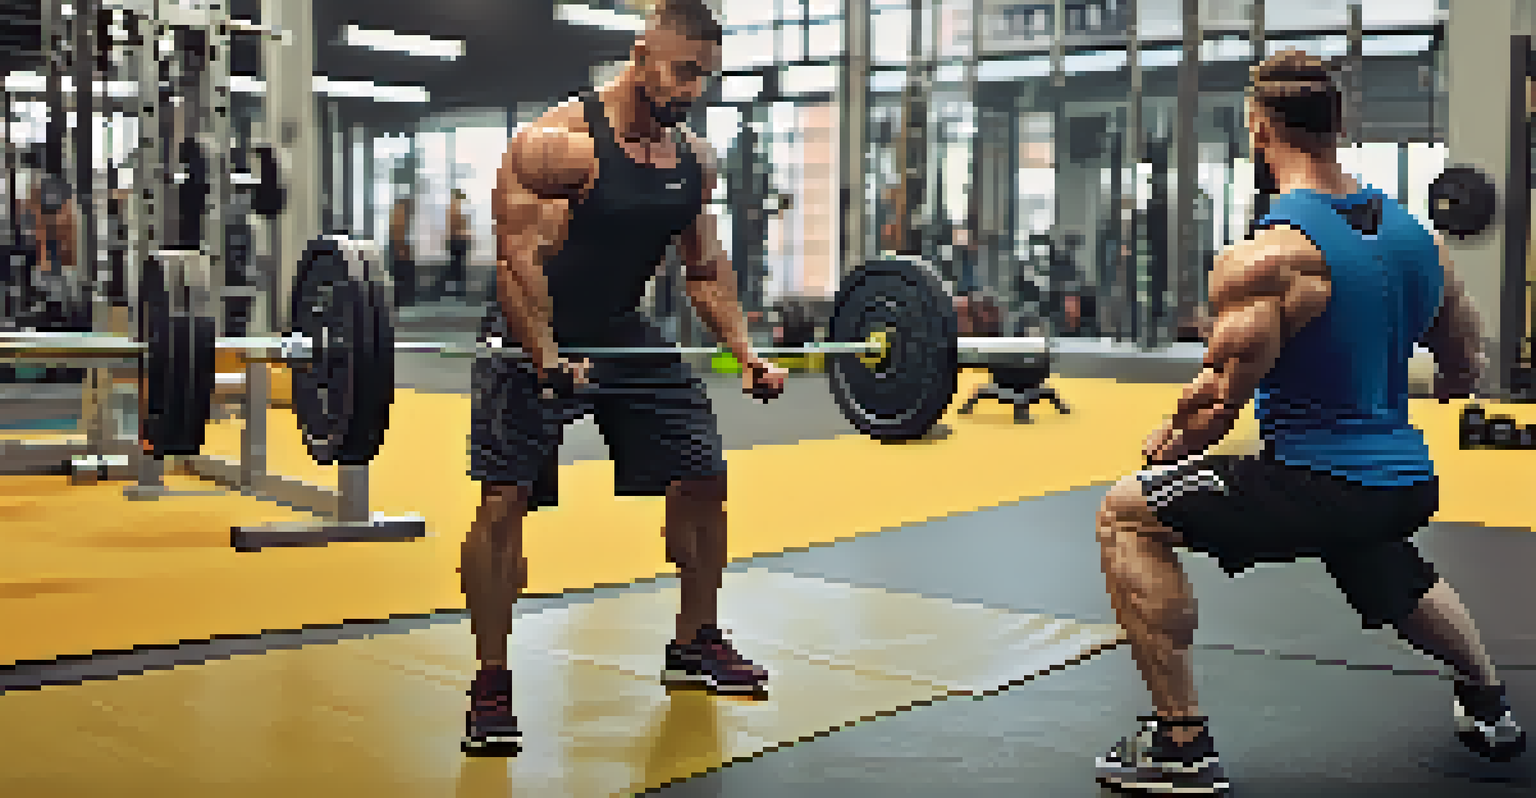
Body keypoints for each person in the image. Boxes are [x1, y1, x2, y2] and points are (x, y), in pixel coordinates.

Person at [1092, 50, 1526, 795]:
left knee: (1125, 515)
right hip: (1405, 483)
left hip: (1319, 480)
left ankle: (1179, 743)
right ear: (1338, 124)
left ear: (1260, 129)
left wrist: (1171, 442)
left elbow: (1219, 405)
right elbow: (1463, 369)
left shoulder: (1269, 259)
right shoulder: (1421, 241)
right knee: (1373, 552)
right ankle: (1488, 704)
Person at [462, 0, 785, 756]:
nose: (692, 89)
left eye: (704, 76)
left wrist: (744, 351)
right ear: (641, 57)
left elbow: (704, 268)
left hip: (621, 332)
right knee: (506, 497)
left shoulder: (691, 159)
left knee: (703, 473)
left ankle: (695, 640)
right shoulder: (558, 146)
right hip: (529, 329)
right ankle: (491, 680)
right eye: (682, 71)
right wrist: (546, 355)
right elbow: (518, 262)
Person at [388, 195, 414, 306]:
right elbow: (397, 234)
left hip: (403, 252)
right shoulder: (399, 217)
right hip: (400, 252)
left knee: (403, 277)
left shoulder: (402, 217)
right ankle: (400, 299)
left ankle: (403, 299)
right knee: (400, 277)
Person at [446, 189, 471, 298]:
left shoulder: (455, 210)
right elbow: (455, 227)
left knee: (458, 265)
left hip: (458, 241)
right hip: (456, 241)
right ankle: (456, 288)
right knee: (456, 265)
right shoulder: (454, 210)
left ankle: (457, 287)